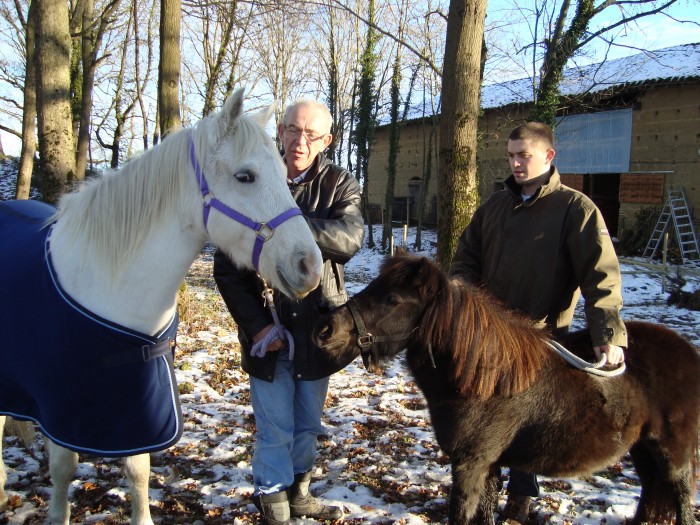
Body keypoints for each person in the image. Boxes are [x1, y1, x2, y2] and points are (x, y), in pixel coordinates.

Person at [449, 122, 627, 525]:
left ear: (548, 156)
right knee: (482, 422)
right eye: (511, 155)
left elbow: (602, 276)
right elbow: (465, 255)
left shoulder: (575, 209)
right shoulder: (494, 206)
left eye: (523, 155)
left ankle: (520, 502)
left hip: (540, 343)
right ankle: (483, 498)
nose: (515, 163)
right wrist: (461, 292)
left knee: (525, 427)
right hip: (487, 339)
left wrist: (609, 334)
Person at [213, 99, 365, 525]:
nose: (300, 141)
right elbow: (226, 269)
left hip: (320, 328)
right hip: (269, 327)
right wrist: (259, 329)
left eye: (312, 134)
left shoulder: (339, 184)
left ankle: (299, 494)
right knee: (274, 426)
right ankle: (274, 508)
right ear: (279, 132)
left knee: (305, 424)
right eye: (293, 131)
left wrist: (285, 221)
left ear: (327, 140)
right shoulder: (255, 176)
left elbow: (349, 239)